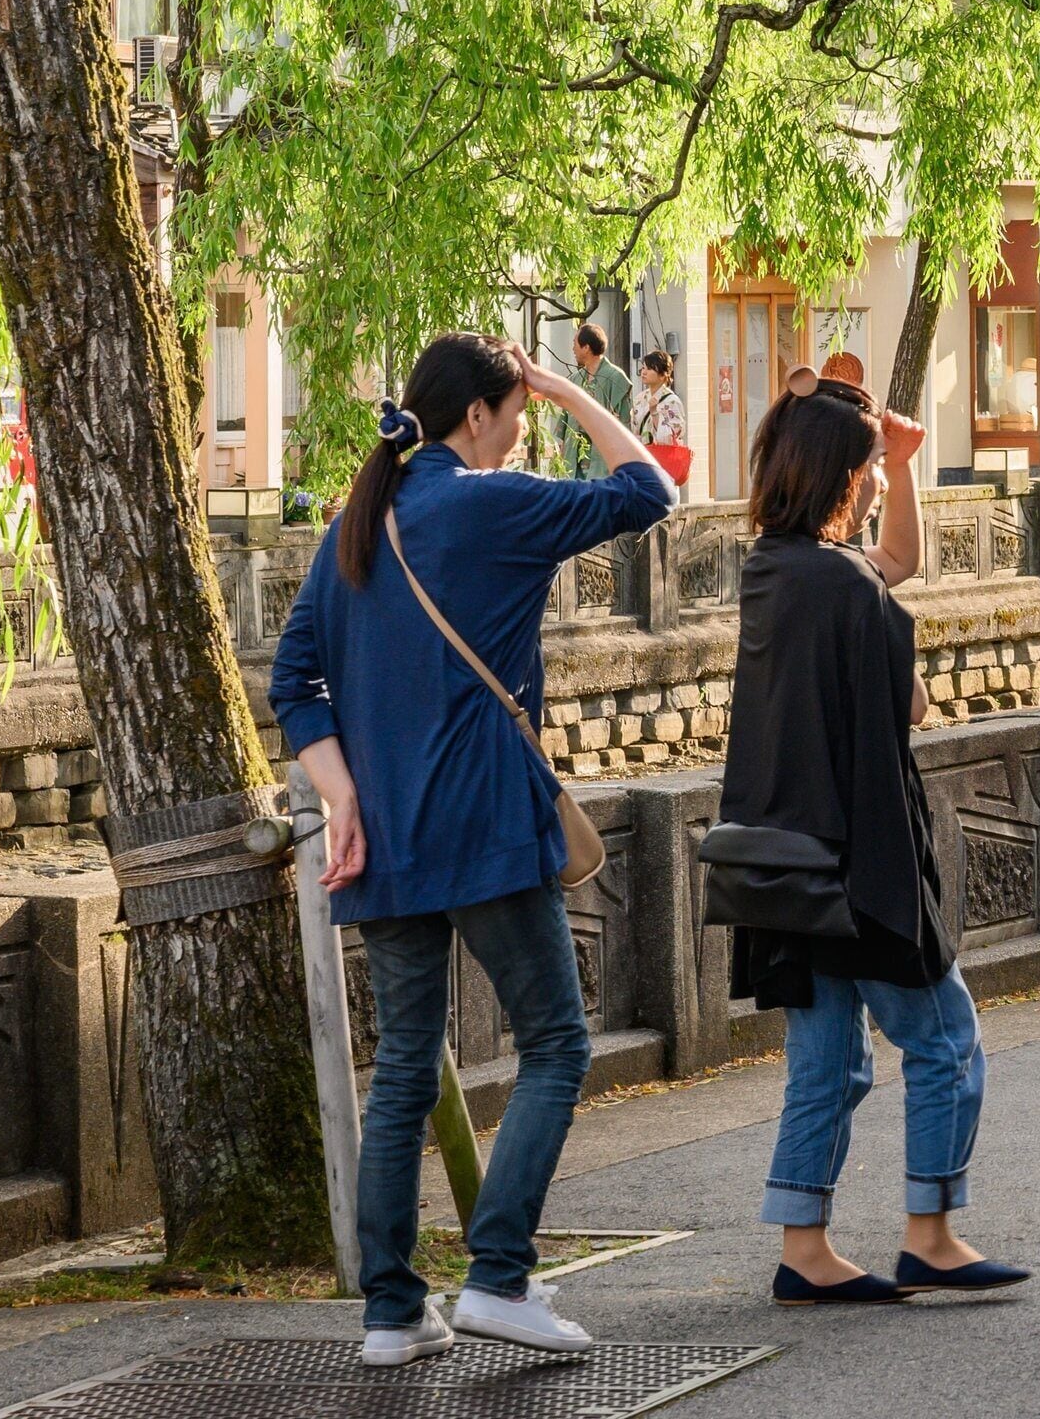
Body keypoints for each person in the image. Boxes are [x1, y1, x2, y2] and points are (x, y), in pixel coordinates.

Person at [268, 332, 675, 1367]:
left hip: (386, 839)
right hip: (485, 824)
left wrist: (343, 798)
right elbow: (648, 490)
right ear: (481, 414)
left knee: (403, 1066)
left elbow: (294, 682)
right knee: (557, 1043)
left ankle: (392, 1310)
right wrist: (575, 390)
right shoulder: (492, 503)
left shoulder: (357, 527)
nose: (522, 431)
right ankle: (499, 1275)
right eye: (518, 413)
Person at [722, 369, 1030, 1303]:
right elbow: (916, 704)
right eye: (870, 478)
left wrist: (902, 464)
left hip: (790, 870)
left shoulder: (773, 569)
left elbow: (894, 563)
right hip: (862, 869)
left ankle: (804, 1247)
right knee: (945, 1038)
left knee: (829, 1063)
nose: (876, 495)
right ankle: (931, 1231)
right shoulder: (844, 587)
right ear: (841, 482)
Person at [568, 328, 635, 477]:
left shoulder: (615, 378)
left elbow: (624, 423)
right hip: (576, 457)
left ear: (586, 348)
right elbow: (566, 420)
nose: (573, 348)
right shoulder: (575, 379)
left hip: (603, 457)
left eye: (575, 344)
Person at [632, 350, 691, 485]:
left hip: (664, 462)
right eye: (643, 368)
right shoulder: (639, 399)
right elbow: (636, 429)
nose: (644, 372)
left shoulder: (672, 401)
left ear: (663, 375)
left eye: (650, 368)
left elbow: (670, 437)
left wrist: (654, 413)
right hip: (644, 459)